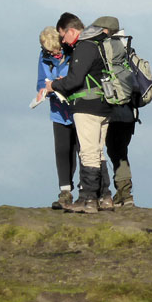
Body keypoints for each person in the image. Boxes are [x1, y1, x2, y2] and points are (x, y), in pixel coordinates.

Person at [43, 12, 114, 213]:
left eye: (63, 36)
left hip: (87, 106)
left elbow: (74, 80)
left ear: (72, 31)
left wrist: (53, 86)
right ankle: (105, 197)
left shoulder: (85, 46)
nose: (63, 41)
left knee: (88, 153)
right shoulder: (100, 44)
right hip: (105, 104)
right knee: (98, 152)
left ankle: (88, 200)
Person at [91, 16, 138, 208]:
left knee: (100, 151)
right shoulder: (128, 50)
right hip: (128, 111)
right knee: (120, 152)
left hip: (108, 108)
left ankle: (104, 194)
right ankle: (125, 194)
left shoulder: (100, 50)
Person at [36, 26, 78, 210]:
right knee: (62, 150)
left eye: (57, 50)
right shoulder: (44, 57)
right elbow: (40, 81)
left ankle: (88, 190)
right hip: (58, 110)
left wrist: (63, 82)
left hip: (78, 109)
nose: (55, 54)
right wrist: (45, 90)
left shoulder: (74, 52)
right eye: (51, 51)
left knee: (82, 150)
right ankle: (65, 192)